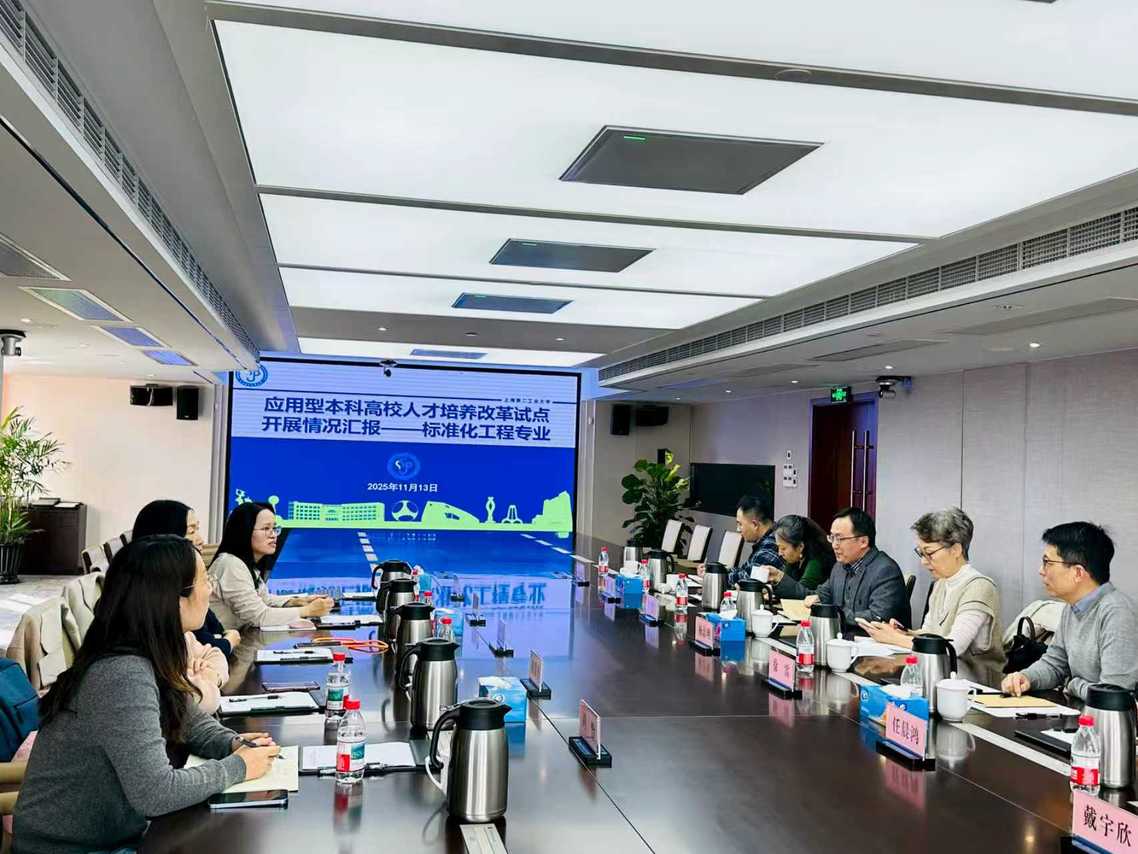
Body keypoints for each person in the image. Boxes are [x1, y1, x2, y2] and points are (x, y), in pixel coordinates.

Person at [12, 536, 279, 854]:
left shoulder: (146, 652)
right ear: (174, 599)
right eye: (204, 580)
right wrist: (238, 766)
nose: (210, 589)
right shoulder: (121, 673)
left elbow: (191, 721)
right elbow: (155, 792)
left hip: (113, 837)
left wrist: (233, 744)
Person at [1002, 522, 1138, 701]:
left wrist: (1072, 684)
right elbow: (1055, 664)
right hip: (1081, 712)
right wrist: (1026, 677)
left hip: (1107, 717)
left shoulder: (1117, 613)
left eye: (1047, 563)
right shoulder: (1073, 608)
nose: (1041, 571)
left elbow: (1113, 694)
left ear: (1078, 573)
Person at [862, 507, 1005, 666]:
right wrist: (905, 633)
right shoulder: (941, 583)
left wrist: (895, 639)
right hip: (940, 671)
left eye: (929, 553)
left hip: (975, 678)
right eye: (921, 553)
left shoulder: (979, 587)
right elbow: (930, 634)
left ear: (956, 550)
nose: (923, 562)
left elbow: (953, 647)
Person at [133, 499, 241, 657]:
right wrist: (229, 641)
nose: (200, 540)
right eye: (191, 531)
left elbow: (216, 630)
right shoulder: (158, 599)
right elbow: (210, 646)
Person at [208, 501, 333, 629]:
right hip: (222, 640)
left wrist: (297, 602)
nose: (273, 535)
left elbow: (264, 599)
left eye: (274, 528)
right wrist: (308, 610)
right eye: (266, 529)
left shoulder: (247, 563)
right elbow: (259, 616)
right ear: (244, 531)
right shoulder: (231, 564)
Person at [789, 507, 910, 627]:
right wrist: (817, 598)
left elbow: (877, 617)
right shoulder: (839, 567)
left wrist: (833, 613)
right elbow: (824, 594)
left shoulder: (885, 571)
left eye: (839, 538)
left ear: (863, 541)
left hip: (869, 638)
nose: (834, 545)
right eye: (832, 538)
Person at [715, 495, 783, 586]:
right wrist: (718, 571)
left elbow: (748, 580)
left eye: (740, 524)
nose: (738, 529)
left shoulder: (771, 545)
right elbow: (745, 570)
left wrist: (716, 577)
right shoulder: (765, 539)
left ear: (755, 524)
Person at [761, 515, 834, 592]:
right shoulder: (795, 559)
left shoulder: (817, 561)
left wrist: (779, 576)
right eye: (778, 547)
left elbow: (801, 592)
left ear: (800, 546)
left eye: (783, 548)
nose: (779, 553)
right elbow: (787, 584)